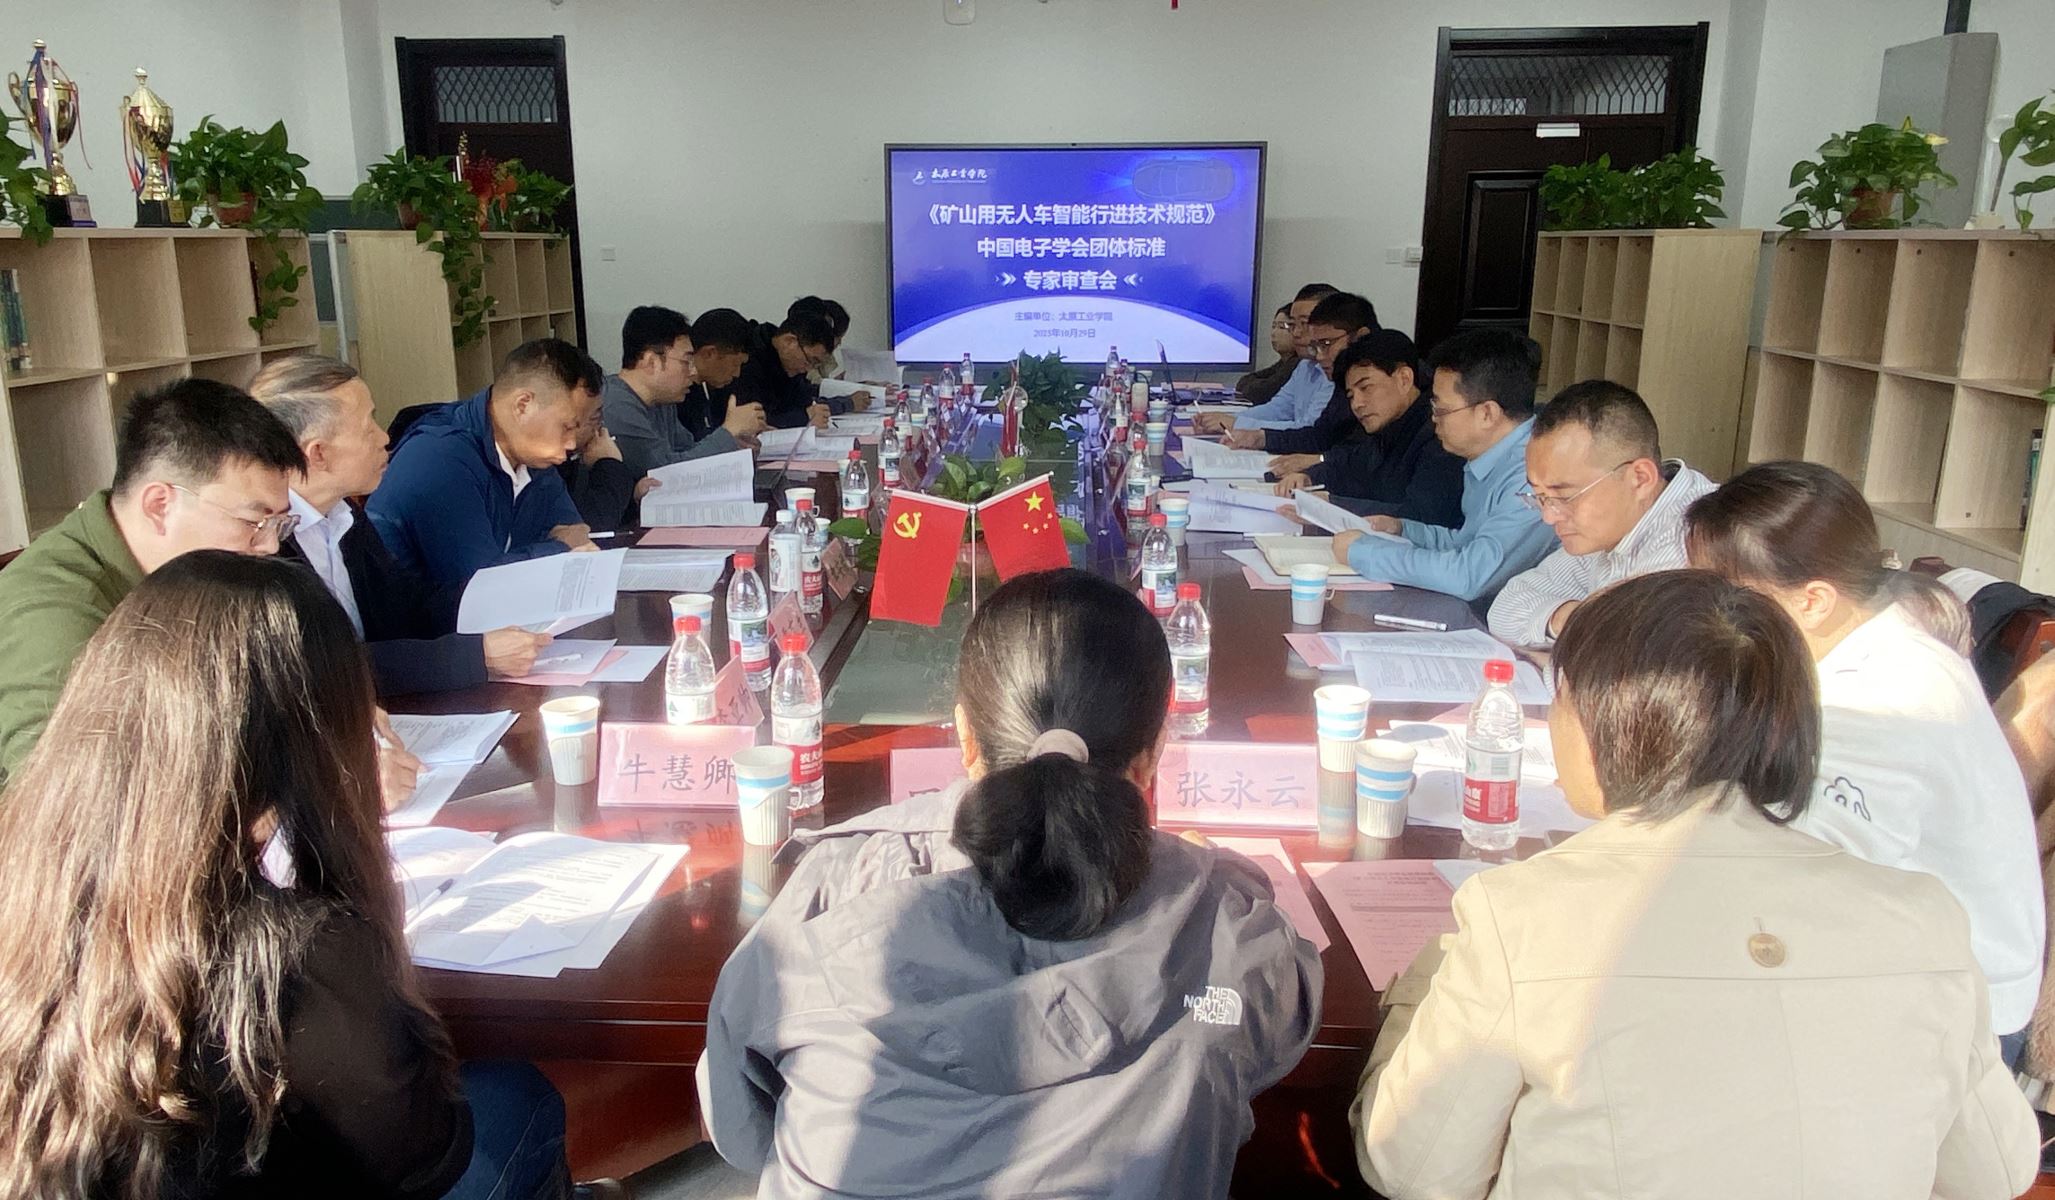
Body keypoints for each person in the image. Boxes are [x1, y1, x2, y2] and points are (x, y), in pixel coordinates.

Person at [1352, 570, 2040, 1200]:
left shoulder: (1519, 915)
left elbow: (1414, 1170)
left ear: (1596, 719)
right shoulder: (1922, 917)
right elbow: (1998, 1173)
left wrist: (1422, 991)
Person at [696, 569, 1322, 1198]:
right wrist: (1207, 873)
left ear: (967, 738)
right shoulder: (1229, 928)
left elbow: (739, 1128)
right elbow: (1282, 1022)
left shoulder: (830, 890)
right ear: (1156, 750)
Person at [0, 551, 578, 1199]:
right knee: (516, 1098)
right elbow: (424, 1156)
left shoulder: (33, 866)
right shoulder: (299, 947)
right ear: (311, 742)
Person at [1686, 461, 2044, 1039]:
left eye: (1722, 594)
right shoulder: (1859, 641)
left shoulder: (1884, 698)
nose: (1703, 611)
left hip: (1954, 1016)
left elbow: (1808, 882)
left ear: (1813, 600)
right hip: (1901, 965)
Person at [0, 377, 303, 782]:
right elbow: (64, 797)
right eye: (253, 521)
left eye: (277, 523)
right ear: (160, 505)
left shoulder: (191, 576)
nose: (269, 545)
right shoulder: (53, 615)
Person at [250, 355, 551, 695]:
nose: (384, 438)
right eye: (367, 428)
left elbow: (409, 606)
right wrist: (476, 656)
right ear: (317, 453)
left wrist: (512, 598)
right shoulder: (262, 545)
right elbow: (314, 668)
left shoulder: (344, 515)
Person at [1330, 328, 1556, 603]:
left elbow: (1469, 576)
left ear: (1487, 413)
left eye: (1441, 409)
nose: (1433, 419)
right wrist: (1403, 530)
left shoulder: (1533, 475)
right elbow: (1466, 543)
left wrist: (1364, 553)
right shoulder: (1490, 458)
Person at [1486, 380, 1717, 647]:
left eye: (1565, 496)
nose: (1549, 516)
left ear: (1640, 478)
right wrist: (1570, 619)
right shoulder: (1613, 521)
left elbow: (1624, 663)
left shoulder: (1696, 543)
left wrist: (1562, 648)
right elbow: (1505, 607)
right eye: (1540, 497)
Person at [367, 339, 602, 592]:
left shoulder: (532, 456)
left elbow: (576, 536)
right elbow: (479, 584)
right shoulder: (440, 456)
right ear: (523, 405)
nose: (571, 443)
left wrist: (561, 547)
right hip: (420, 616)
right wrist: (558, 548)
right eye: (567, 427)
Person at [1271, 331, 1463, 528]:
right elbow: (1351, 466)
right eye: (1351, 395)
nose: (1357, 404)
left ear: (1404, 379)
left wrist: (1332, 507)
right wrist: (1309, 477)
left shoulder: (1441, 434)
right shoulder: (1387, 428)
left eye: (1365, 388)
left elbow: (1421, 518)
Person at [601, 306, 765, 484]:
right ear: (651, 362)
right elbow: (665, 472)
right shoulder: (617, 407)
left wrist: (735, 448)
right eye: (687, 361)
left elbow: (687, 450)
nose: (693, 371)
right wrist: (728, 432)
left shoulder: (663, 400)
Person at [1225, 290, 1379, 456]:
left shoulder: (1377, 374)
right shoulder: (1328, 372)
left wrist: (1321, 461)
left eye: (1326, 344)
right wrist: (1262, 438)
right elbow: (1320, 434)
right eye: (1293, 324)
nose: (1320, 356)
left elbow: (1366, 454)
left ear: (1360, 337)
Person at [1191, 282, 1335, 435]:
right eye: (1293, 324)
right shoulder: (1305, 366)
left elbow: (1309, 429)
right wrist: (1226, 420)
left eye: (1304, 323)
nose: (1296, 333)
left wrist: (1235, 424)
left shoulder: (1334, 371)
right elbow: (1277, 409)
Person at [704, 308, 833, 431]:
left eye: (815, 364)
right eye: (810, 360)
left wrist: (813, 412)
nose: (808, 368)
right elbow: (748, 418)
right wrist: (803, 417)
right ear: (789, 341)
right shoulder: (747, 359)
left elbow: (803, 403)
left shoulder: (791, 367)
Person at [1234, 303, 1299, 406]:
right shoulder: (1283, 363)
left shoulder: (1299, 363)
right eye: (1273, 326)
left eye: (1282, 327)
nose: (1274, 333)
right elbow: (1243, 381)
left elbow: (1263, 392)